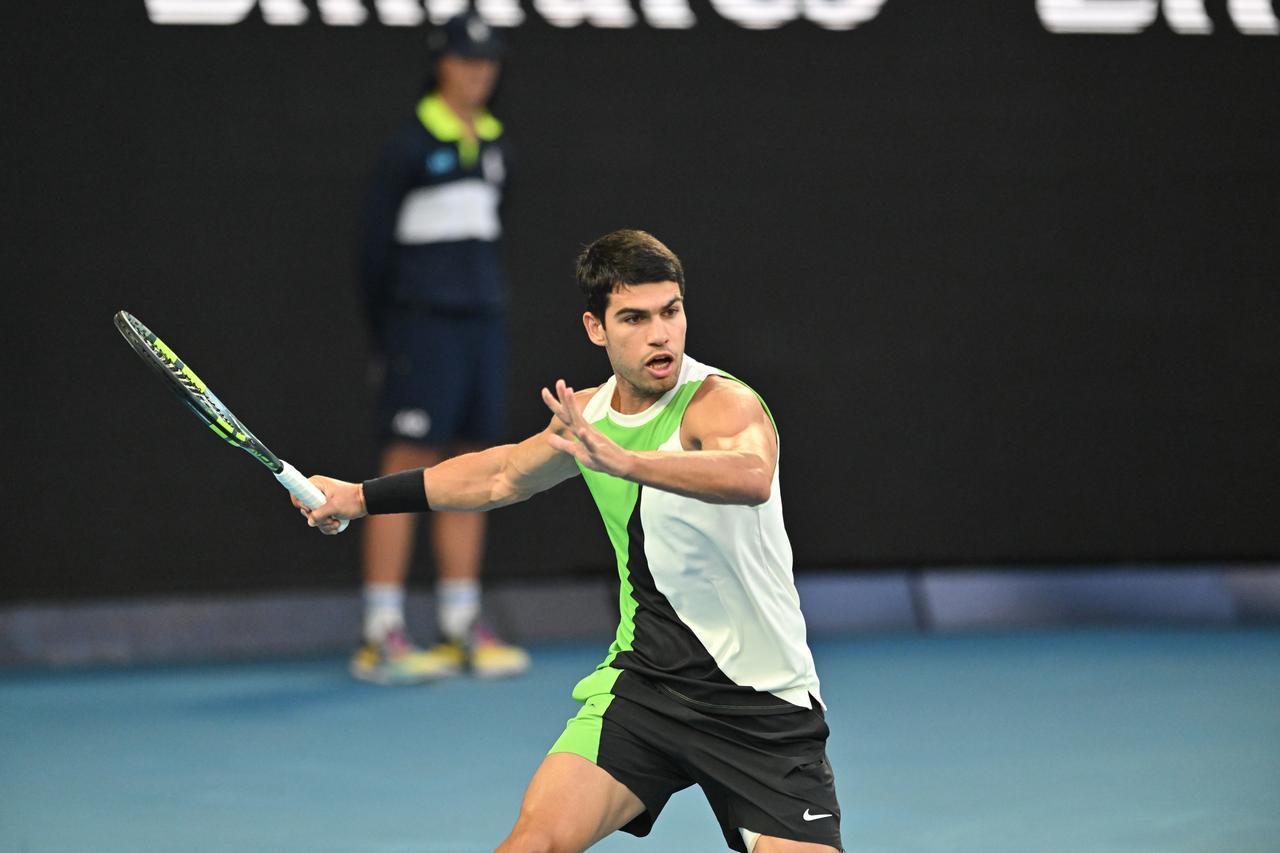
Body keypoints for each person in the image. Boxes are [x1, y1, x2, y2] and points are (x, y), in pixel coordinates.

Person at [301, 230, 842, 853]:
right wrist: (359, 497)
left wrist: (628, 462)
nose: (660, 334)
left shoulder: (722, 404)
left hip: (762, 707)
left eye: (671, 311)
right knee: (535, 843)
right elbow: (499, 475)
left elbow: (750, 475)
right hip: (645, 689)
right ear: (596, 328)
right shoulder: (589, 418)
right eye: (634, 318)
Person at [354, 12, 528, 683]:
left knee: (474, 465)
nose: (481, 72)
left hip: (482, 325)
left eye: (489, 62)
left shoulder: (497, 146)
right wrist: (391, 331)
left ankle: (460, 622)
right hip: (420, 328)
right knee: (406, 464)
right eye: (467, 60)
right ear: (442, 65)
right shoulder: (406, 146)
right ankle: (383, 629)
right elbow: (371, 252)